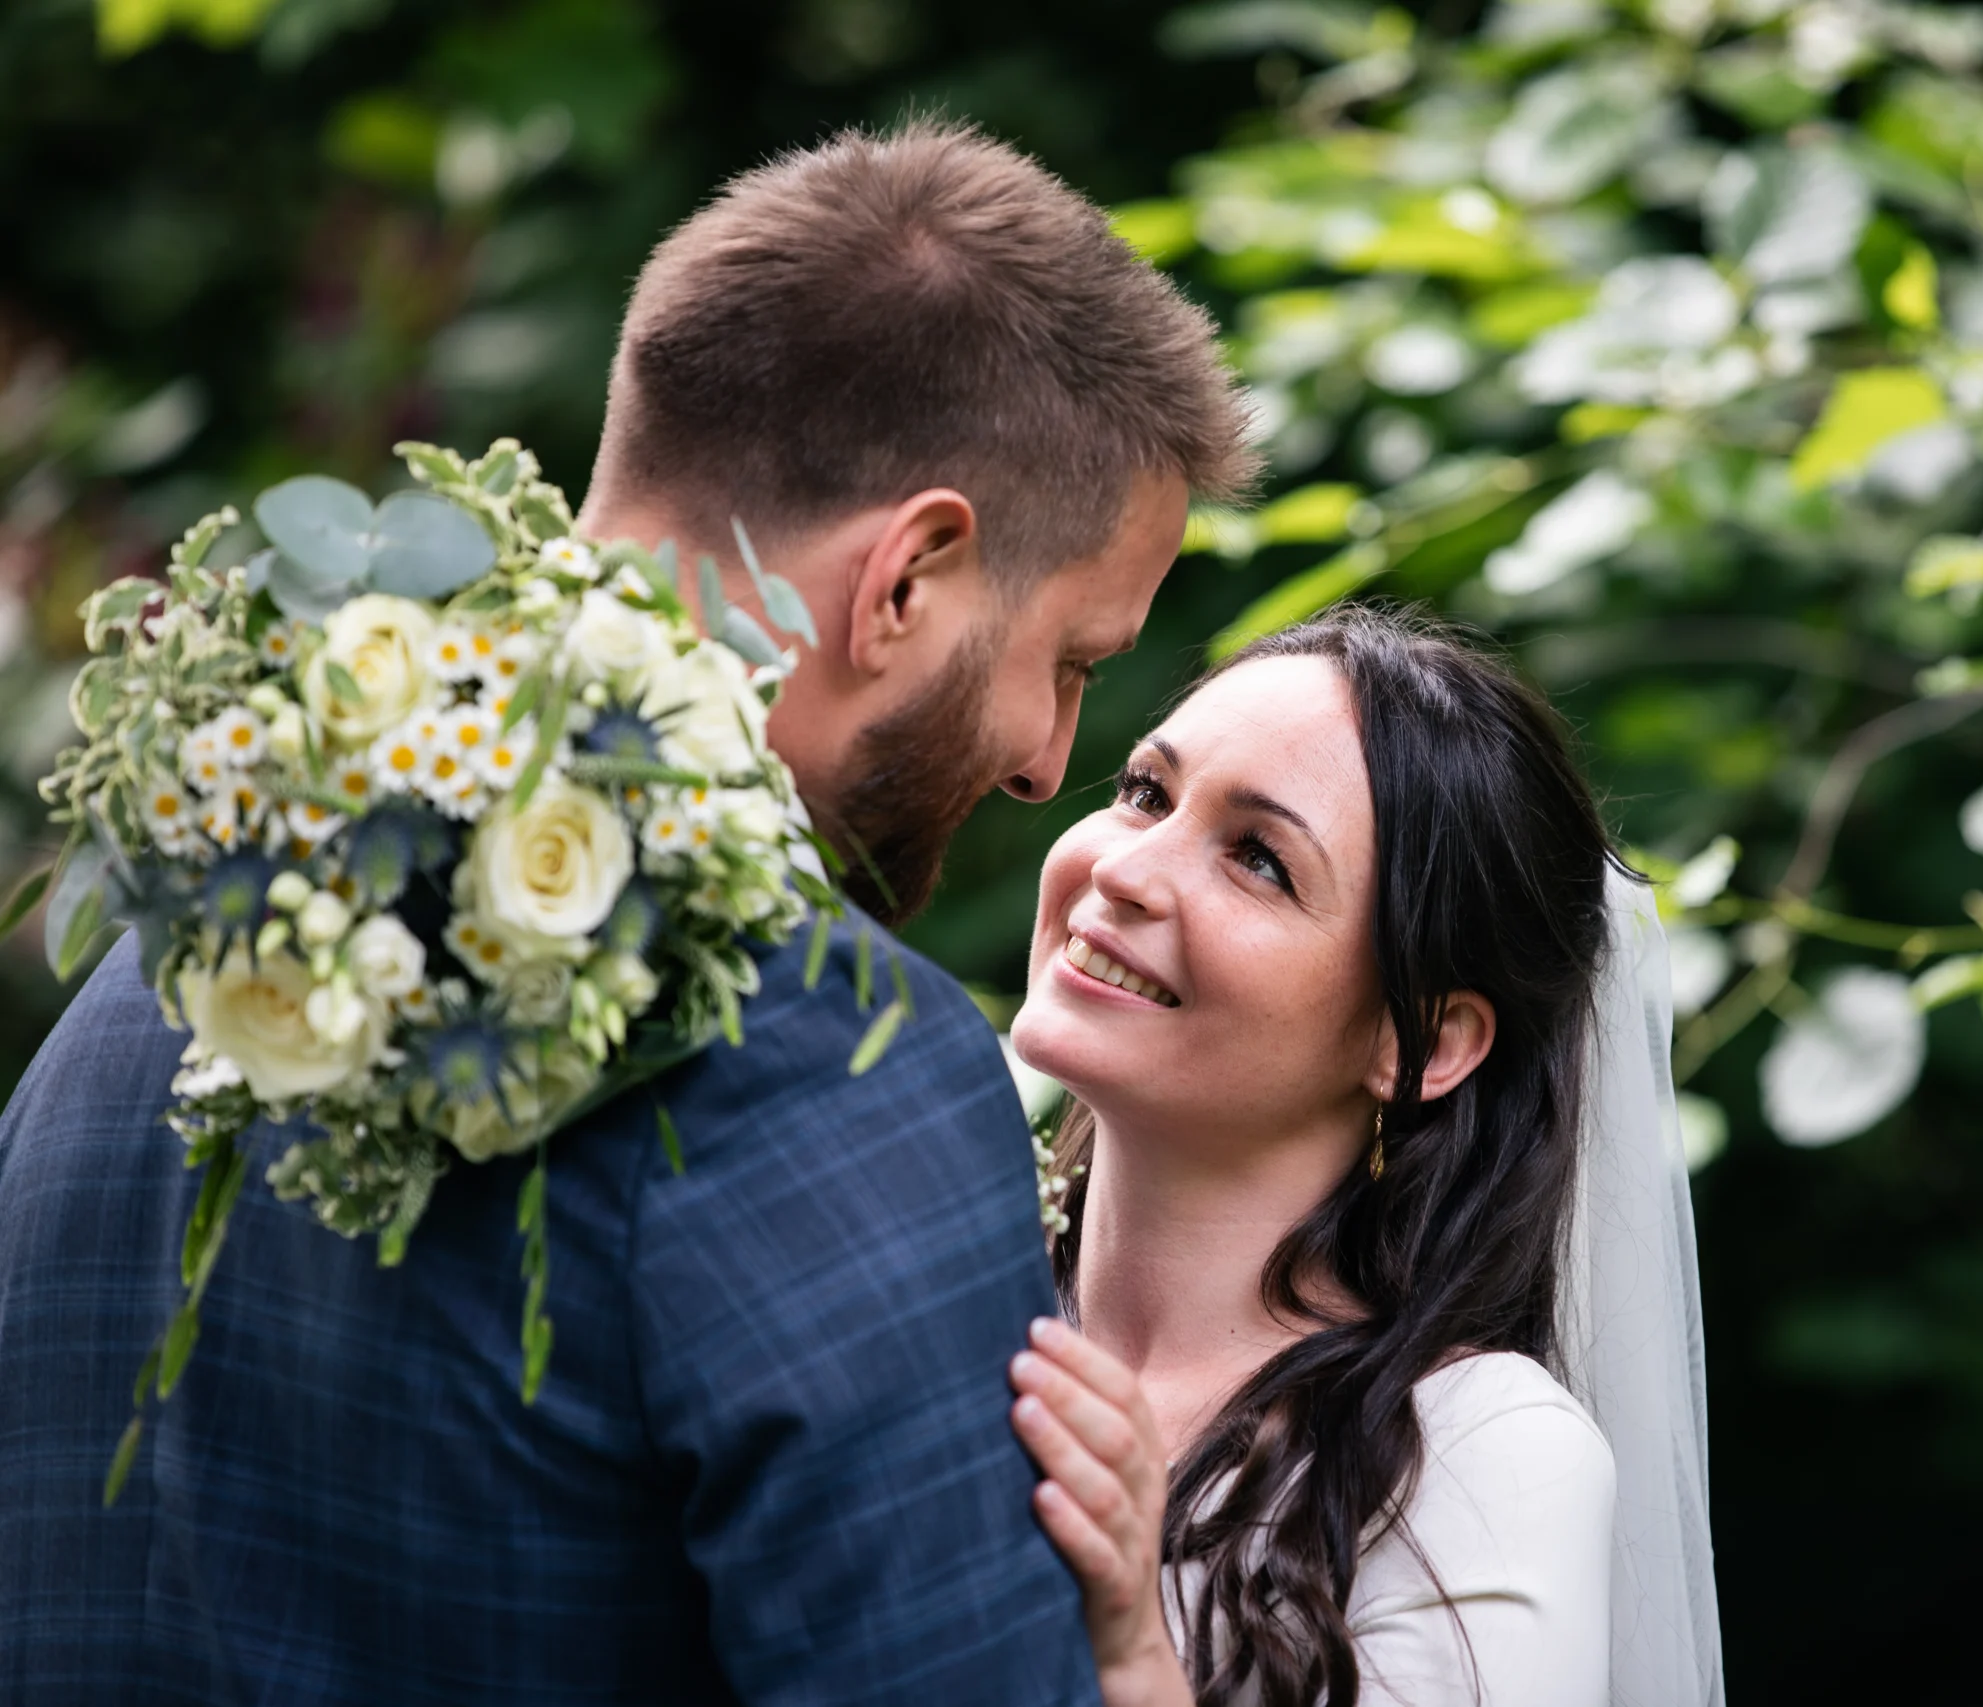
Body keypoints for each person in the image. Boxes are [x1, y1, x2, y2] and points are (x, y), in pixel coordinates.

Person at [0, 121, 1253, 1705]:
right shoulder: (829, 1059)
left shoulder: (154, 992)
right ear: (912, 576)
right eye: (1071, 658)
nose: (1046, 763)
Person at [1003, 606, 1725, 1707]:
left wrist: (1127, 1654)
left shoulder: (1479, 1456)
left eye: (1257, 860)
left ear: (1421, 1043)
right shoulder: (941, 1301)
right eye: (1145, 791)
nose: (1128, 871)